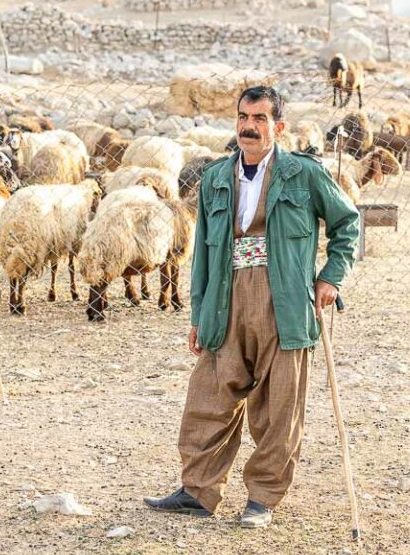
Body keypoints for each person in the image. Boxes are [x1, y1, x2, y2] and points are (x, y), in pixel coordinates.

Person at [143, 85, 360, 528]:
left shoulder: (304, 174)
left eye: (260, 119)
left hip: (285, 300)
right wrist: (198, 315)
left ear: (277, 127)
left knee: (278, 404)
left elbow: (347, 224)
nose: (249, 126)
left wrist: (330, 278)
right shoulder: (217, 178)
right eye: (244, 117)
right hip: (227, 298)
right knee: (208, 397)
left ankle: (263, 497)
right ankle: (197, 491)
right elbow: (203, 253)